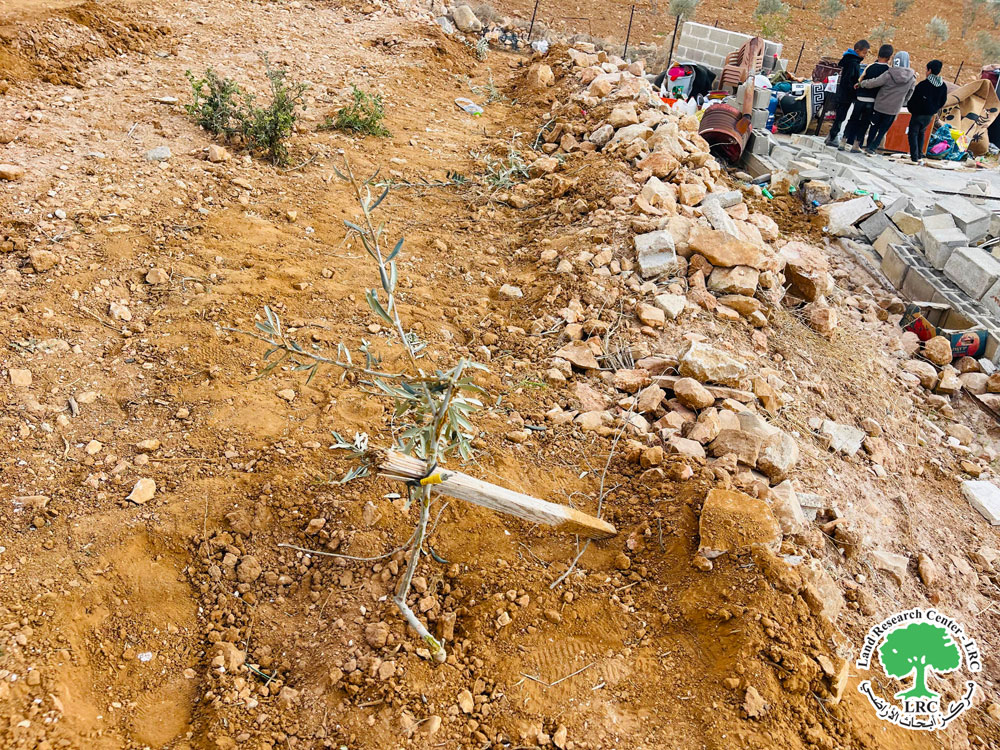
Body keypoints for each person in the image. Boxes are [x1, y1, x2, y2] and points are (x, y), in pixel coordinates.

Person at [857, 50, 916, 154]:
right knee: (883, 130)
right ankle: (873, 149)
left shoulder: (889, 74)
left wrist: (862, 83)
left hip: (880, 106)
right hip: (894, 109)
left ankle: (868, 145)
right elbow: (910, 93)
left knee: (874, 127)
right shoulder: (912, 78)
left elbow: (875, 82)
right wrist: (902, 103)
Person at [841, 43, 893, 152]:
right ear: (889, 58)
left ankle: (843, 141)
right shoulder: (888, 70)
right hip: (873, 101)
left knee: (853, 120)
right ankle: (856, 145)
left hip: (860, 98)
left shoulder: (870, 66)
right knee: (865, 123)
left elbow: (860, 79)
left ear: (878, 54)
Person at [825, 40, 870, 146]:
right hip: (846, 95)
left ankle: (830, 136)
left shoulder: (848, 60)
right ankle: (832, 137)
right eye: (864, 53)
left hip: (842, 93)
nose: (865, 55)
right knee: (841, 117)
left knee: (840, 116)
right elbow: (848, 80)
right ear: (857, 51)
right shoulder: (853, 63)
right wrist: (854, 89)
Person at [905, 59, 949, 163]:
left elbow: (913, 99)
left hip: (918, 114)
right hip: (929, 115)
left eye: (926, 70)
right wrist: (934, 109)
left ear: (929, 70)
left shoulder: (923, 85)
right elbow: (943, 101)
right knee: (922, 133)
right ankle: (920, 155)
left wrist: (911, 109)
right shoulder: (943, 86)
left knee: (913, 133)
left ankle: (914, 156)